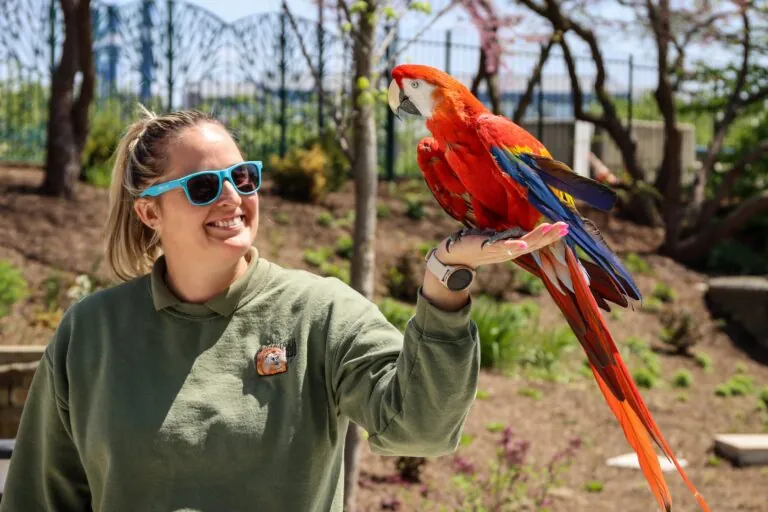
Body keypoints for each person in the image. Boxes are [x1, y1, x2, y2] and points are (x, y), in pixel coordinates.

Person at [0, 108, 567, 512]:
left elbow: (419, 429)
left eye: (242, 177)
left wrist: (444, 285)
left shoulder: (319, 313)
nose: (232, 197)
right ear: (150, 214)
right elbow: (41, 498)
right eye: (203, 186)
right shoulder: (92, 332)